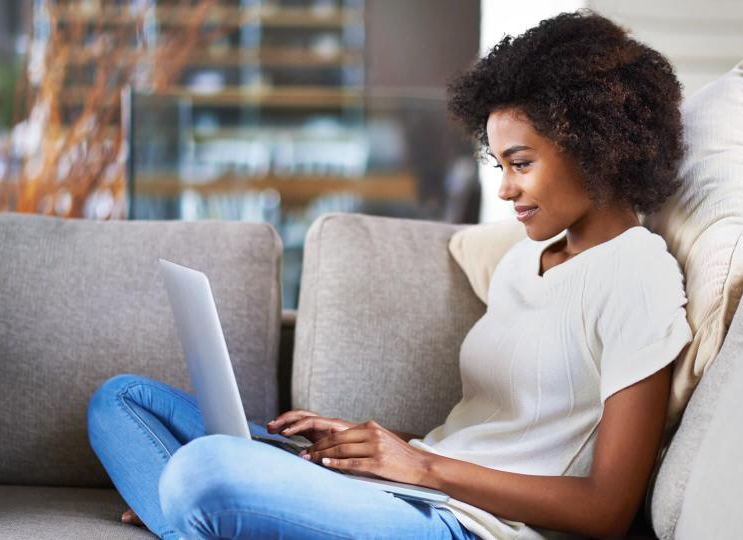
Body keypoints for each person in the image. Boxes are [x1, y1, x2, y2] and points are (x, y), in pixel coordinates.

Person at [87, 10, 691, 539]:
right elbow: (489, 432)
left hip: (461, 524)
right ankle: (208, 518)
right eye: (498, 164)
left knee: (200, 472)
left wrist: (422, 469)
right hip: (413, 484)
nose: (505, 189)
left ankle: (201, 512)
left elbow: (607, 510)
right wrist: (370, 445)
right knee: (122, 401)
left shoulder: (638, 273)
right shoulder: (521, 262)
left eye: (521, 164)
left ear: (597, 146)